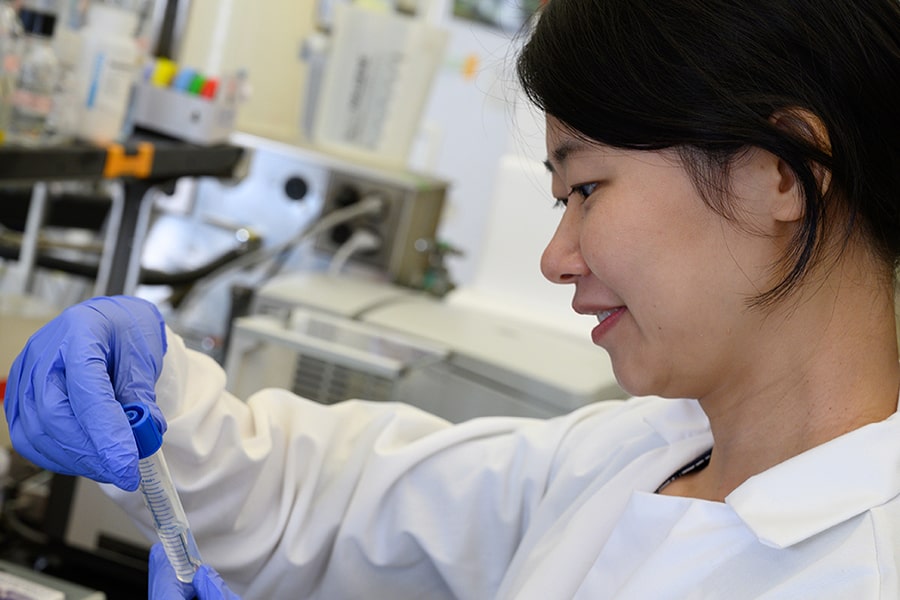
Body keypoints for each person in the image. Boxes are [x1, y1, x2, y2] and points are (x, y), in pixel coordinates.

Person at [5, 0, 900, 597]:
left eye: (585, 186)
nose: (558, 257)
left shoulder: (859, 565)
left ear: (780, 175)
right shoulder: (651, 452)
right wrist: (148, 397)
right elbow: (337, 500)